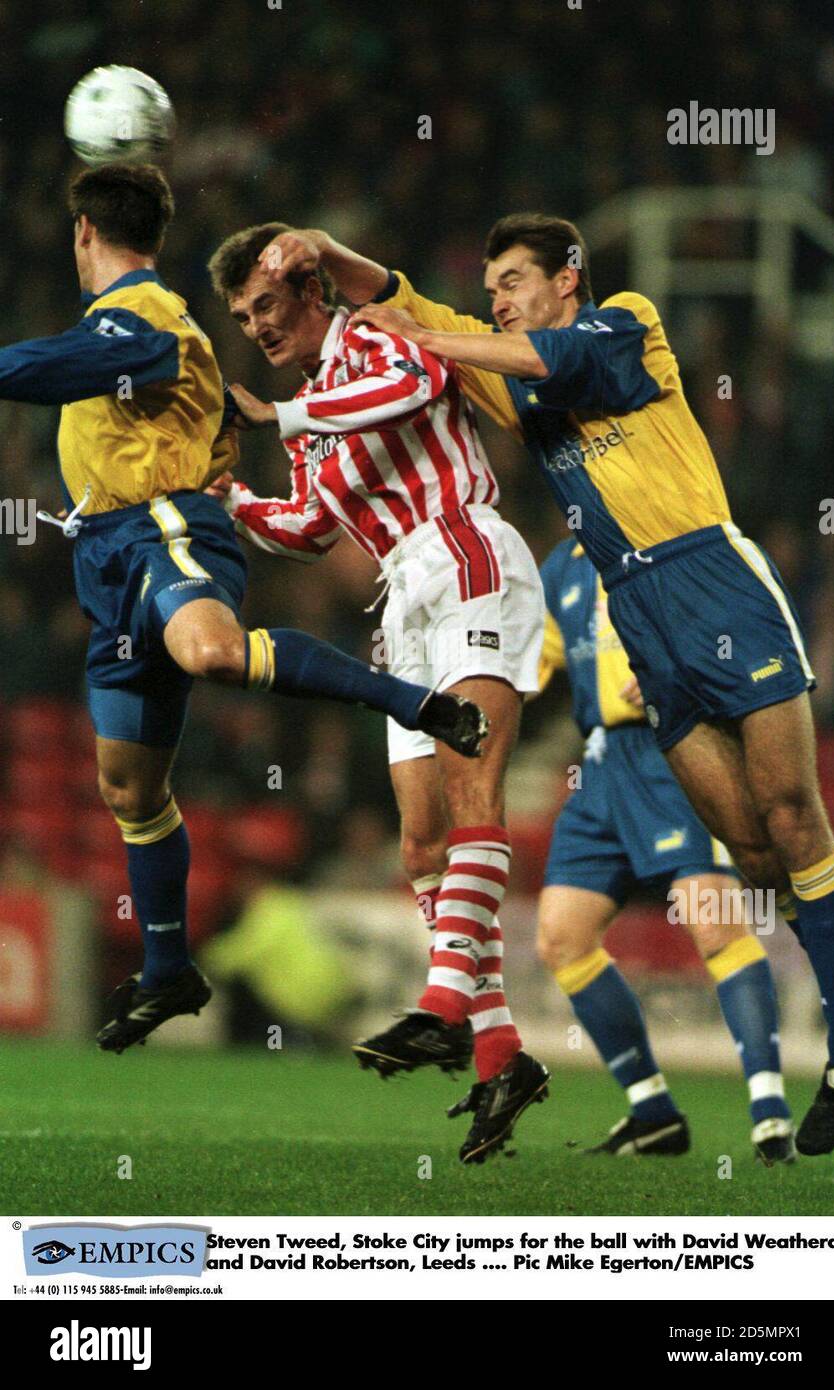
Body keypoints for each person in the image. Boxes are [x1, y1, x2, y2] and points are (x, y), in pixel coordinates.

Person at [256, 219, 834, 1158]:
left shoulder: (625, 322)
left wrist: (418, 342)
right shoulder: (509, 368)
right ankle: (668, 1099)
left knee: (792, 817)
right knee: (750, 849)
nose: (496, 296)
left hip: (707, 572)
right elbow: (405, 299)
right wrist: (332, 257)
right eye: (488, 282)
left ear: (566, 277)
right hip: (640, 616)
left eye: (513, 279)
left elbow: (503, 347)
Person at [0, 166, 486, 1055]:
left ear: (82, 233)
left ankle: (412, 701)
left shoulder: (143, 311)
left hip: (163, 530)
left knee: (213, 653)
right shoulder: (139, 327)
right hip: (106, 561)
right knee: (128, 792)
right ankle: (168, 969)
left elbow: (57, 367)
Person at [204, 223, 549, 1164]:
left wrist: (277, 418)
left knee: (475, 790)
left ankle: (442, 1007)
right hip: (400, 598)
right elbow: (312, 526)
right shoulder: (315, 402)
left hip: (466, 547)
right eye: (242, 318)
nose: (257, 329)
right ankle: (502, 1051)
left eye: (266, 306)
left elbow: (424, 382)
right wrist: (226, 500)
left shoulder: (370, 333)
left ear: (309, 290)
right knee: (420, 839)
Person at [534, 539, 794, 1166]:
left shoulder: (671, 536)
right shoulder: (561, 566)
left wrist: (678, 670)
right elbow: (529, 662)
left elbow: (739, 628)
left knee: (711, 919)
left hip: (675, 746)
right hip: (600, 762)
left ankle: (770, 1111)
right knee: (561, 937)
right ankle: (652, 1112)